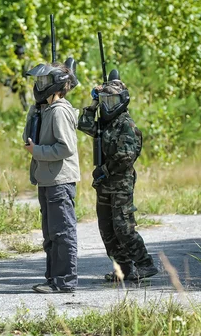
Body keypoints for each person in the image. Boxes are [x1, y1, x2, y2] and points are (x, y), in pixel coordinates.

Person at [78, 72, 158, 282]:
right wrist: (94, 102)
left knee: (123, 227)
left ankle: (145, 264)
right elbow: (84, 124)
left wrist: (105, 170)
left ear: (123, 101)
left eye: (111, 100)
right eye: (105, 101)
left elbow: (126, 157)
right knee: (106, 228)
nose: (108, 105)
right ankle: (123, 269)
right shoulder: (105, 123)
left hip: (120, 183)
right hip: (104, 184)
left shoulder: (126, 125)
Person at [23, 60, 80, 293]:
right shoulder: (44, 109)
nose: (38, 85)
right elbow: (29, 136)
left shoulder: (59, 111)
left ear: (56, 84)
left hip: (59, 180)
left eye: (44, 81)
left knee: (62, 232)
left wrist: (37, 151)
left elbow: (66, 148)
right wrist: (34, 112)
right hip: (47, 178)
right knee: (50, 234)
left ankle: (65, 281)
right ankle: (53, 278)